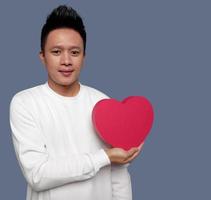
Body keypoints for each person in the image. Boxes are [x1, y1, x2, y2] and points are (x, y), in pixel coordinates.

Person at [9, 5, 142, 200]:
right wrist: (104, 157)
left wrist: (118, 157)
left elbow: (118, 177)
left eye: (74, 52)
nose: (66, 61)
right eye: (56, 52)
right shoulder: (25, 103)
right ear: (42, 57)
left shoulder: (103, 104)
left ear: (84, 57)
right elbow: (37, 174)